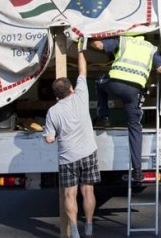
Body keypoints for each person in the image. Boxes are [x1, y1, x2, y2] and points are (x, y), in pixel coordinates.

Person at [90, 36, 161, 181]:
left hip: (115, 85)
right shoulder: (150, 48)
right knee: (135, 127)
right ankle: (137, 171)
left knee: (99, 82)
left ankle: (104, 117)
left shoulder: (123, 40)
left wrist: (85, 39)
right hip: (134, 91)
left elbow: (100, 46)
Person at [43, 41, 99, 238]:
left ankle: (74, 229)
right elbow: (82, 71)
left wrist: (52, 136)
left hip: (68, 157)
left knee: (69, 194)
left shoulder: (52, 112)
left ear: (56, 95)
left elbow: (49, 139)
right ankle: (89, 225)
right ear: (71, 89)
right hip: (88, 152)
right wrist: (81, 49)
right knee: (88, 191)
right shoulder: (81, 96)